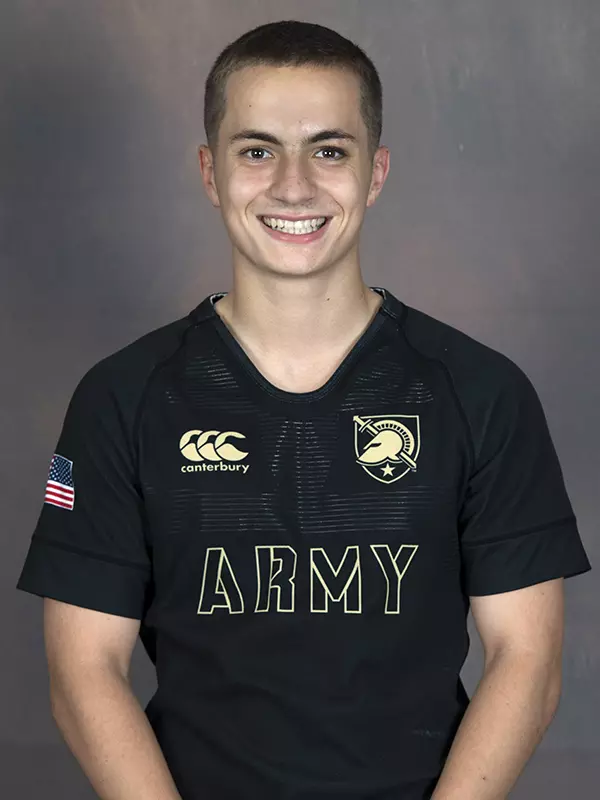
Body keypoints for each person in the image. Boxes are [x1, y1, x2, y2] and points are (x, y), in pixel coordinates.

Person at [16, 18, 592, 800]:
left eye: (329, 150)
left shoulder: (480, 392)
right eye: (257, 151)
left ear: (376, 171)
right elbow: (83, 672)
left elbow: (529, 661)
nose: (294, 185)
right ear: (210, 172)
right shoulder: (122, 398)